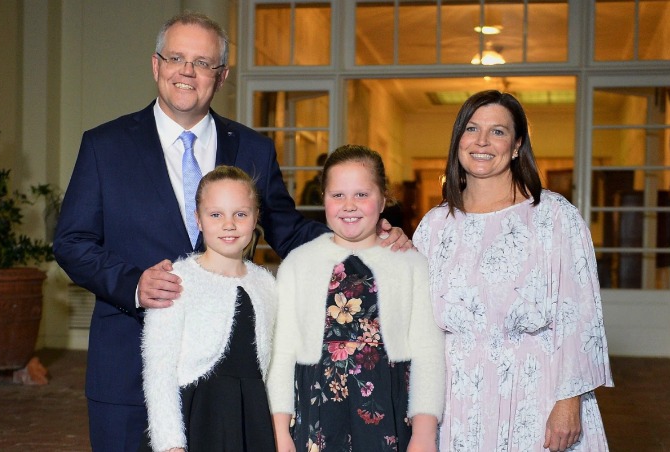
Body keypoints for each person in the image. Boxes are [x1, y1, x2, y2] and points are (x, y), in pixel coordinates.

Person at [52, 12, 409, 451]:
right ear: (155, 65)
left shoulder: (253, 147)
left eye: (202, 63)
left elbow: (287, 229)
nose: (187, 71)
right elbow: (72, 241)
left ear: (220, 77)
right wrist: (133, 285)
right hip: (128, 360)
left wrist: (367, 238)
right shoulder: (104, 145)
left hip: (227, 379)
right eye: (176, 57)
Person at [412, 90, 613, 452]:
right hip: (455, 402)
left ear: (517, 145)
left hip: (534, 396)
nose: (482, 141)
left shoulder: (553, 216)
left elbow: (579, 315)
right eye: (471, 129)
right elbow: (416, 320)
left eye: (498, 132)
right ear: (458, 139)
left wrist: (569, 402)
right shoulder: (434, 225)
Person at [268, 145, 445, 452]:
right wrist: (280, 431)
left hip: (388, 413)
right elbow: (281, 354)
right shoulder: (298, 263)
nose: (349, 205)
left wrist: (424, 433)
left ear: (383, 199)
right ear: (323, 199)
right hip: (317, 414)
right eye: (337, 195)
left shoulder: (411, 264)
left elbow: (428, 352)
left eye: (362, 194)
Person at [140, 166, 276, 452]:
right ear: (198, 220)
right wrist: (170, 443)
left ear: (255, 219)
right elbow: (159, 369)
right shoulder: (176, 280)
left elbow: (273, 364)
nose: (229, 224)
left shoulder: (267, 284)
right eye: (216, 214)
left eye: (241, 214)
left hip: (252, 420)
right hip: (198, 418)